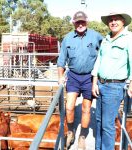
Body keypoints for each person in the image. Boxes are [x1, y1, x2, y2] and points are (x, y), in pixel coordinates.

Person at [57, 11, 103, 149]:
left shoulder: (95, 36)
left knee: (86, 109)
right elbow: (61, 61)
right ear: (74, 23)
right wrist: (60, 77)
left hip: (90, 77)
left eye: (82, 22)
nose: (80, 24)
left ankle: (82, 137)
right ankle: (71, 132)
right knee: (69, 106)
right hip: (73, 76)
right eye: (78, 22)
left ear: (86, 22)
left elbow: (106, 50)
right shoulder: (68, 38)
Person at [91, 12, 132, 150]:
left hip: (114, 86)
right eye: (111, 20)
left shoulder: (129, 38)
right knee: (99, 121)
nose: (113, 22)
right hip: (100, 84)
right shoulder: (106, 39)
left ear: (123, 22)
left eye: (116, 20)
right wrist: (94, 82)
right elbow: (99, 60)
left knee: (107, 125)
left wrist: (131, 83)